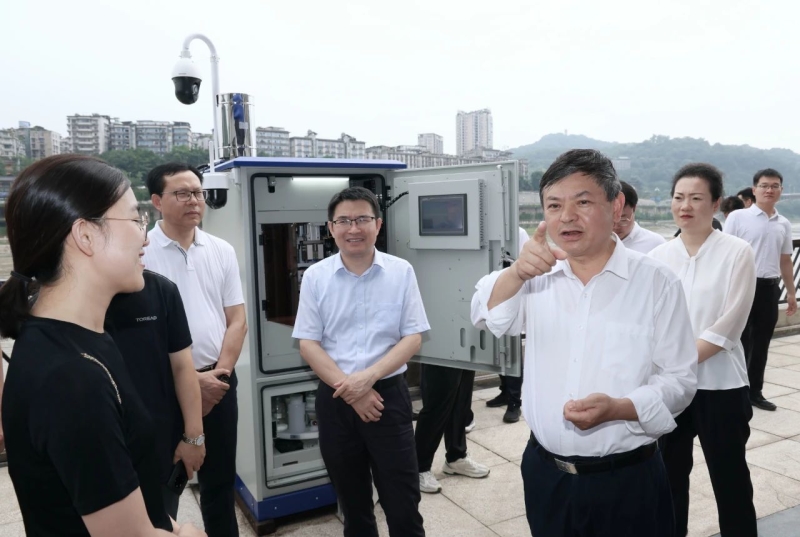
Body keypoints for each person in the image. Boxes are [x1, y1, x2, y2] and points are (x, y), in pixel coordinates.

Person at [471, 149, 697, 537]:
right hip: (547, 475)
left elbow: (680, 379)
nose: (566, 216)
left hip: (629, 480)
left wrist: (619, 408)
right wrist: (517, 272)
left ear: (616, 205)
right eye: (554, 205)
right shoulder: (536, 275)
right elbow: (486, 314)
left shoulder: (657, 282)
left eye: (583, 202)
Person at [0, 154, 203, 536]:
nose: (145, 236)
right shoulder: (71, 379)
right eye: (135, 219)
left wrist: (168, 525)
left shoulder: (84, 340)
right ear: (86, 235)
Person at [293, 186, 429, 537]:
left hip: (387, 399)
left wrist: (366, 379)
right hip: (336, 401)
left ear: (378, 224)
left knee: (403, 503)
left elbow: (413, 337)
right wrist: (351, 390)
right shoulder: (316, 276)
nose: (353, 228)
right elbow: (308, 343)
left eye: (362, 219)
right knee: (353, 506)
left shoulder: (401, 272)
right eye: (344, 221)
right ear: (331, 228)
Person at [650, 163, 757, 537]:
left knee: (730, 481)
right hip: (671, 389)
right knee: (668, 479)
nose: (685, 206)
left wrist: (679, 359)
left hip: (721, 387)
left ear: (715, 204)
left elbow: (730, 323)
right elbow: (650, 323)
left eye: (696, 198)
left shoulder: (737, 252)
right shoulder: (658, 257)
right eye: (679, 197)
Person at [143, 163, 248, 537]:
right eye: (182, 193)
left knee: (220, 481)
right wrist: (190, 383)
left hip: (219, 381)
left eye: (198, 193)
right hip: (163, 388)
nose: (194, 200)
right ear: (157, 201)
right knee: (163, 482)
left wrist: (219, 376)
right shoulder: (141, 253)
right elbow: (139, 336)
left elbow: (237, 320)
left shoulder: (220, 249)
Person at [106, 269, 205, 519]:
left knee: (163, 522)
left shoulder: (161, 291)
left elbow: (183, 368)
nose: (143, 248)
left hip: (159, 447)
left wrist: (194, 438)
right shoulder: (79, 299)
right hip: (105, 449)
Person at [724, 168, 797, 411]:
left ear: (781, 191)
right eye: (764, 185)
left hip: (769, 289)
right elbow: (724, 253)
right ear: (754, 190)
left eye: (774, 186)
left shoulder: (783, 223)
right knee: (738, 340)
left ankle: (755, 392)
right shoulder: (738, 217)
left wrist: (791, 293)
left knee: (762, 342)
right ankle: (735, 391)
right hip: (741, 285)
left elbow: (785, 260)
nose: (769, 190)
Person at [485, 226, 531, 423]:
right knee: (496, 349)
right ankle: (504, 391)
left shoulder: (517, 232)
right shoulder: (485, 230)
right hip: (491, 295)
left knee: (511, 351)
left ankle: (515, 402)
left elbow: (524, 265)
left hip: (511, 298)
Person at [613, 181, 666, 253]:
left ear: (634, 208)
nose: (616, 226)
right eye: (610, 219)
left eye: (622, 218)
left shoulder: (656, 244)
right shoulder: (597, 244)